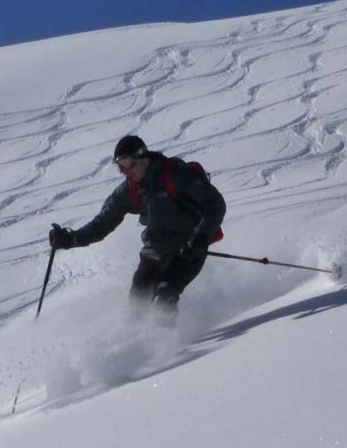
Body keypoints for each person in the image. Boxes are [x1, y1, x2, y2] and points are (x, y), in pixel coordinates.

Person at [49, 135, 226, 328]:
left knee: (166, 291)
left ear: (143, 157)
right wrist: (71, 239)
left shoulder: (175, 174)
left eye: (126, 163)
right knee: (138, 300)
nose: (124, 171)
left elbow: (215, 204)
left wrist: (200, 237)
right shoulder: (129, 191)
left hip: (189, 249)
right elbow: (101, 224)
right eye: (119, 166)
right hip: (156, 250)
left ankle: (165, 343)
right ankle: (133, 346)